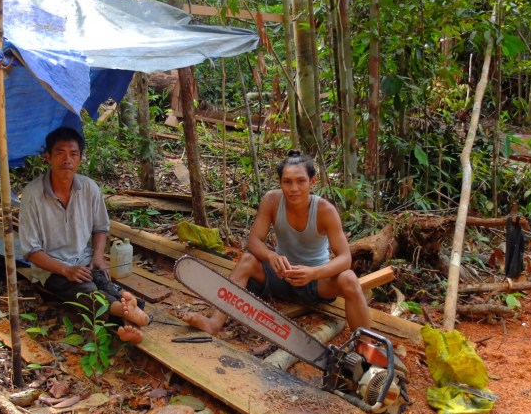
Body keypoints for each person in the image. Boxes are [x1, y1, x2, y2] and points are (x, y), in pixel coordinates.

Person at [183, 150, 371, 335]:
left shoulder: (325, 210)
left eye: (301, 181)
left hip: (315, 283)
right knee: (247, 260)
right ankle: (214, 324)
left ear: (312, 182)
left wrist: (313, 273)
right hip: (281, 276)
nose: (294, 188)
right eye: (287, 182)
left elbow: (345, 258)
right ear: (280, 182)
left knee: (349, 278)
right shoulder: (272, 201)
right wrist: (271, 255)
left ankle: (365, 347)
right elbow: (254, 241)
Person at [19, 126, 148, 343]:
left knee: (103, 282)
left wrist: (98, 256)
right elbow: (31, 251)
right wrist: (65, 269)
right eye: (60, 153)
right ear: (48, 157)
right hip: (52, 269)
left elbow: (100, 228)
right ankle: (130, 314)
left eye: (73, 154)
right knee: (84, 290)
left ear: (80, 159)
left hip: (85, 260)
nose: (67, 160)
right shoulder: (33, 195)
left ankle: (129, 316)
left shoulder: (89, 188)